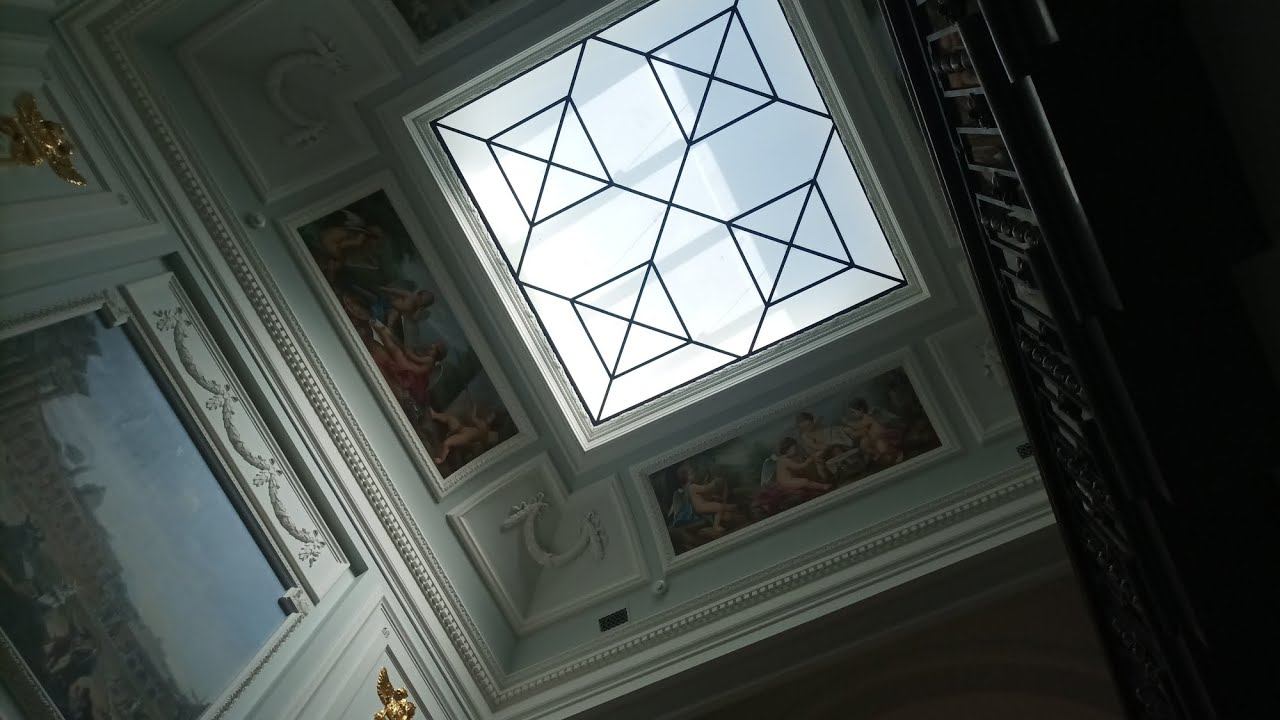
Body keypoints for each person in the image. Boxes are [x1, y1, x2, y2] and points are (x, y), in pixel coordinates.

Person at [667, 464, 734, 536]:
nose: (694, 474)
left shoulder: (692, 486)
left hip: (698, 509)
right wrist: (714, 483)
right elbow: (705, 489)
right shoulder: (689, 488)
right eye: (691, 473)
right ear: (687, 477)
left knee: (722, 511)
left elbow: (703, 495)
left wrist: (712, 497)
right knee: (720, 511)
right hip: (692, 513)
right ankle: (715, 525)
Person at [429, 403, 497, 466]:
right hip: (461, 428)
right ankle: (434, 415)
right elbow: (471, 419)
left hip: (464, 437)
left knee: (447, 443)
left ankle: (441, 459)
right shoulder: (483, 425)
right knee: (451, 418)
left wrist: (474, 408)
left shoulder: (484, 427)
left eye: (490, 416)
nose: (487, 415)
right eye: (488, 414)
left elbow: (473, 418)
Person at [842, 399, 905, 465]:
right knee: (864, 446)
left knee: (882, 447)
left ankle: (898, 453)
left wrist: (847, 423)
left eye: (853, 412)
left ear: (861, 410)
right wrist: (851, 432)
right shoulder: (862, 420)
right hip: (874, 439)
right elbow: (861, 430)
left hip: (882, 436)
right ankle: (877, 453)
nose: (852, 415)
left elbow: (858, 426)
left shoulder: (867, 417)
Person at [794, 411, 854, 481]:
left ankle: (846, 469)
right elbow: (816, 447)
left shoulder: (820, 427)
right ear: (801, 427)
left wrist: (833, 440)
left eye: (809, 425)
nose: (808, 428)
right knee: (819, 460)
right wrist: (827, 445)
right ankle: (828, 480)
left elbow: (830, 433)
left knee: (836, 449)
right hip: (817, 453)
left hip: (830, 448)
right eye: (805, 427)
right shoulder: (805, 436)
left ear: (812, 422)